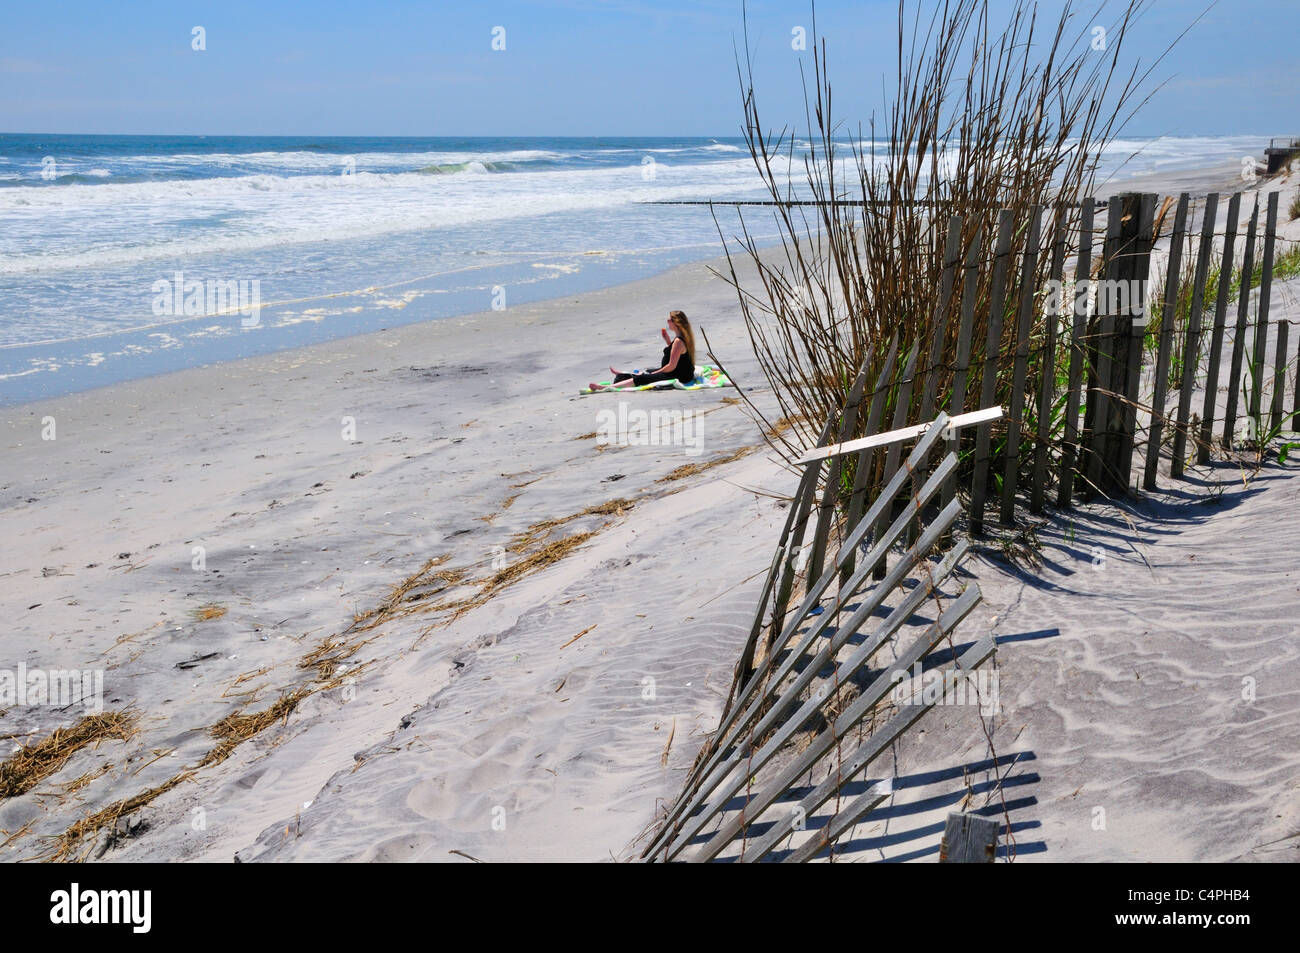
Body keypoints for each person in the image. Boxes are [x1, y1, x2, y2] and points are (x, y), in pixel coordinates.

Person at [591, 310, 697, 391]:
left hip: (678, 375)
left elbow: (671, 366)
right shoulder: (681, 338)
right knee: (647, 371)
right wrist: (668, 341)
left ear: (676, 323)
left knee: (643, 378)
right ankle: (624, 375)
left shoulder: (679, 340)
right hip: (679, 372)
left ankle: (607, 387)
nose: (667, 321)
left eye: (670, 320)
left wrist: (655, 373)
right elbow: (677, 355)